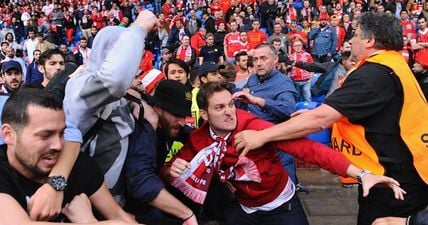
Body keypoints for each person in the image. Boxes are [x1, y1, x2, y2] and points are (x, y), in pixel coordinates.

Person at [234, 12, 428, 225]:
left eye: (356, 35)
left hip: (395, 181)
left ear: (370, 41)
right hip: (403, 172)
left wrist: (263, 136)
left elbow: (321, 119)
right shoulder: (392, 65)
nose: (351, 40)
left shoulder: (374, 74)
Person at [162, 82, 405, 225]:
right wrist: (170, 169)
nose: (229, 112)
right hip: (245, 210)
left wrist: (361, 174)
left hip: (282, 208)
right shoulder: (199, 138)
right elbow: (171, 167)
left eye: (231, 104)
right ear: (204, 115)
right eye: (219, 108)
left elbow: (308, 149)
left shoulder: (252, 127)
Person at [26, 11, 161, 221]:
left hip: (115, 203)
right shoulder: (83, 85)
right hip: (88, 207)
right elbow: (114, 80)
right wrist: (138, 28)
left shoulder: (119, 93)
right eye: (128, 51)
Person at [0, 88, 139, 225]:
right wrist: (89, 223)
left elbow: (120, 216)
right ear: (8, 134)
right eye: (45, 135)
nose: (58, 145)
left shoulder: (78, 165)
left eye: (62, 134)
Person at [124, 80, 197, 225]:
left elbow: (193, 135)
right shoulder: (145, 129)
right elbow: (140, 181)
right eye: (177, 114)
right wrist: (187, 215)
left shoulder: (168, 123)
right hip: (129, 206)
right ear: (157, 108)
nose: (182, 122)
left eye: (184, 116)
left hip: (147, 198)